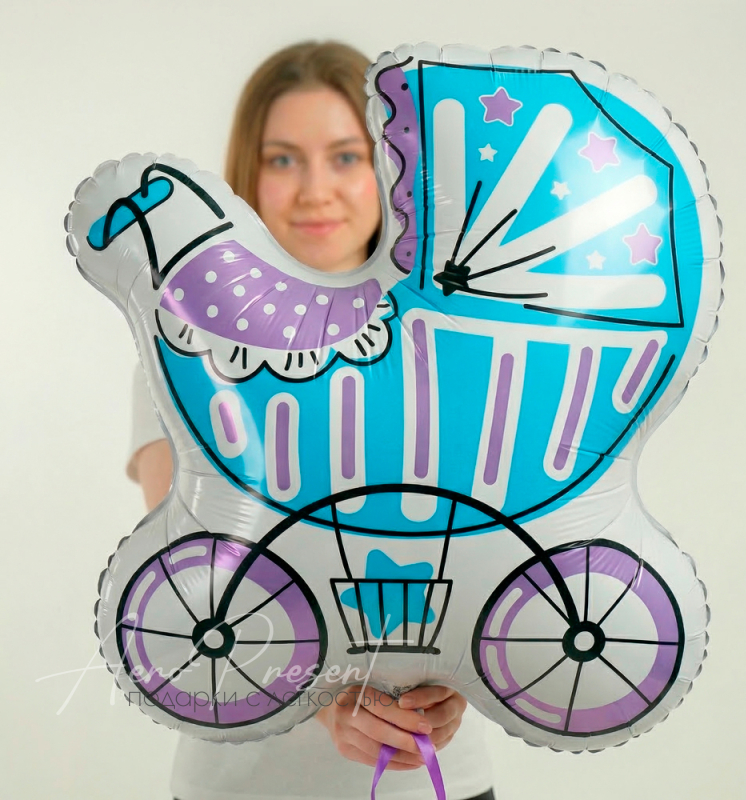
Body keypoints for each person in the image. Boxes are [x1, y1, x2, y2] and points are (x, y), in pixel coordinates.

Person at [127, 40, 496, 800]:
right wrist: (324, 697)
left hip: (438, 780)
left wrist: (469, 674)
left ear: (395, 167)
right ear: (247, 176)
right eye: (283, 159)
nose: (315, 190)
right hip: (240, 784)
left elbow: (495, 551)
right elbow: (192, 579)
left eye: (346, 157)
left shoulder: (460, 343)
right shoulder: (185, 354)